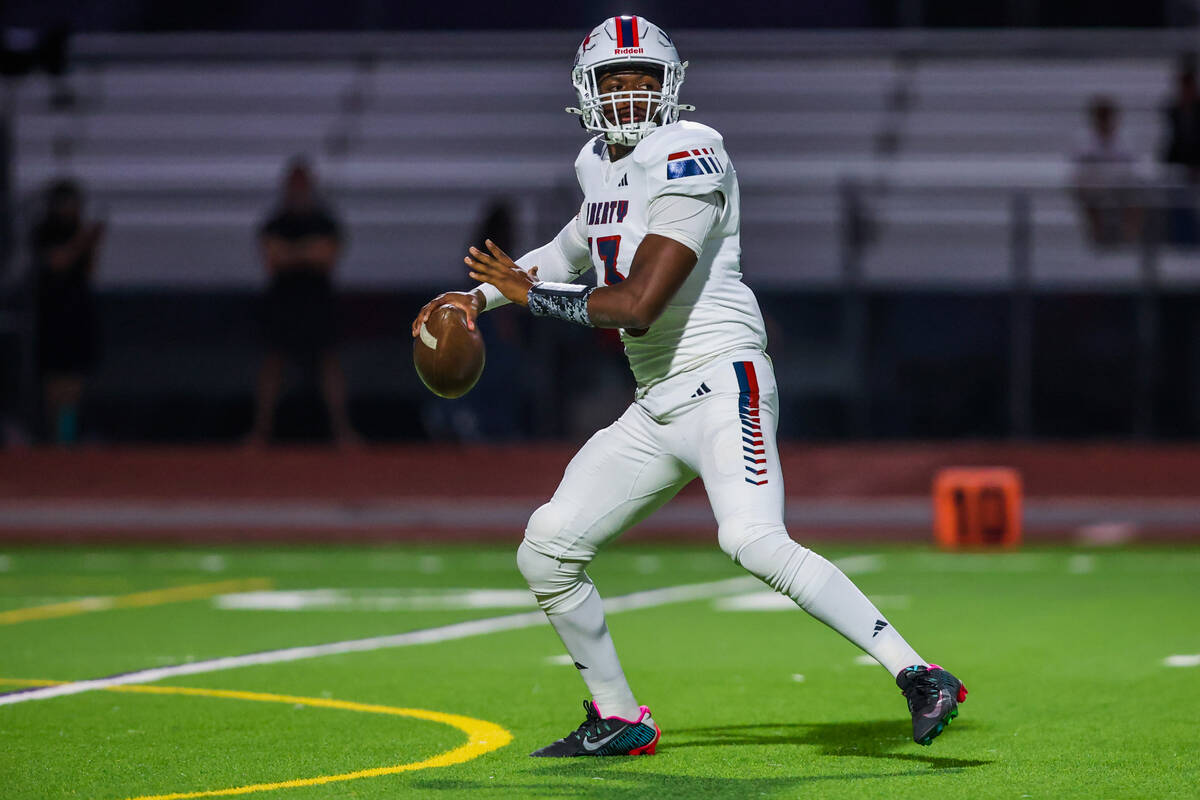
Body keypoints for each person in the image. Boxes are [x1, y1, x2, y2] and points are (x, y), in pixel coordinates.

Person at [412, 15, 966, 757]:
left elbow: (637, 307)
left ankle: (920, 674)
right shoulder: (598, 164)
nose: (633, 93)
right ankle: (617, 717)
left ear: (671, 86)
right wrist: (472, 299)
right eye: (617, 78)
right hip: (658, 402)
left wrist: (524, 296)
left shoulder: (689, 151)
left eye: (646, 77)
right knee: (547, 548)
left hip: (722, 374)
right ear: (587, 91)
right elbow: (572, 247)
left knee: (751, 537)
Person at [248, 157, 358, 446]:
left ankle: (342, 431)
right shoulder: (276, 221)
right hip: (284, 302)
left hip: (317, 302)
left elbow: (327, 257)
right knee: (274, 363)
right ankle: (261, 431)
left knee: (329, 364)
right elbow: (273, 259)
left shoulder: (325, 221)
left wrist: (292, 254)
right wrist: (307, 252)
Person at [32, 179, 104, 444]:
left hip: (77, 314)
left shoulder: (78, 230)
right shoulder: (44, 231)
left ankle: (67, 438)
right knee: (54, 384)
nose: (71, 208)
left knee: (74, 385)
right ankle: (55, 439)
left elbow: (89, 271)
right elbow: (57, 262)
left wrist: (93, 245)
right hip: (52, 315)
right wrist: (84, 241)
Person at [1070, 95, 1143, 247]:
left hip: (1120, 185)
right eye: (1101, 117)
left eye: (1106, 117)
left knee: (1138, 195)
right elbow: (1080, 167)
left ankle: (1130, 238)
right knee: (1084, 191)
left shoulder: (1126, 137)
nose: (1104, 122)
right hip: (1095, 187)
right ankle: (1096, 236)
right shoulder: (1083, 138)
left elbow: (1131, 167)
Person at [1161, 59, 1200, 245]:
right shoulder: (1173, 111)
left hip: (1196, 169)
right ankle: (1181, 242)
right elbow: (1171, 144)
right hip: (1179, 170)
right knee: (1174, 194)